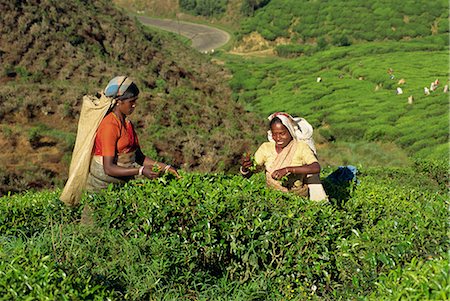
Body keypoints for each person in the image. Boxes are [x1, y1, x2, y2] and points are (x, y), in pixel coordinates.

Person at [85, 76, 179, 192]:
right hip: (102, 187)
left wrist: (166, 168)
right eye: (131, 101)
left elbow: (138, 157)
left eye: (135, 100)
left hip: (121, 184)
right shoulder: (109, 126)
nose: (134, 105)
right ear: (119, 102)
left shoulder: (127, 123)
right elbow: (108, 168)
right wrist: (140, 171)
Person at [240, 112, 325, 200]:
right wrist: (245, 168)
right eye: (274, 134)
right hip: (273, 198)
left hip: (298, 198)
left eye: (282, 133)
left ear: (290, 131)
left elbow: (316, 167)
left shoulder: (301, 147)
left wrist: (288, 169)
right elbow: (249, 174)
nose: (278, 138)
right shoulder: (266, 148)